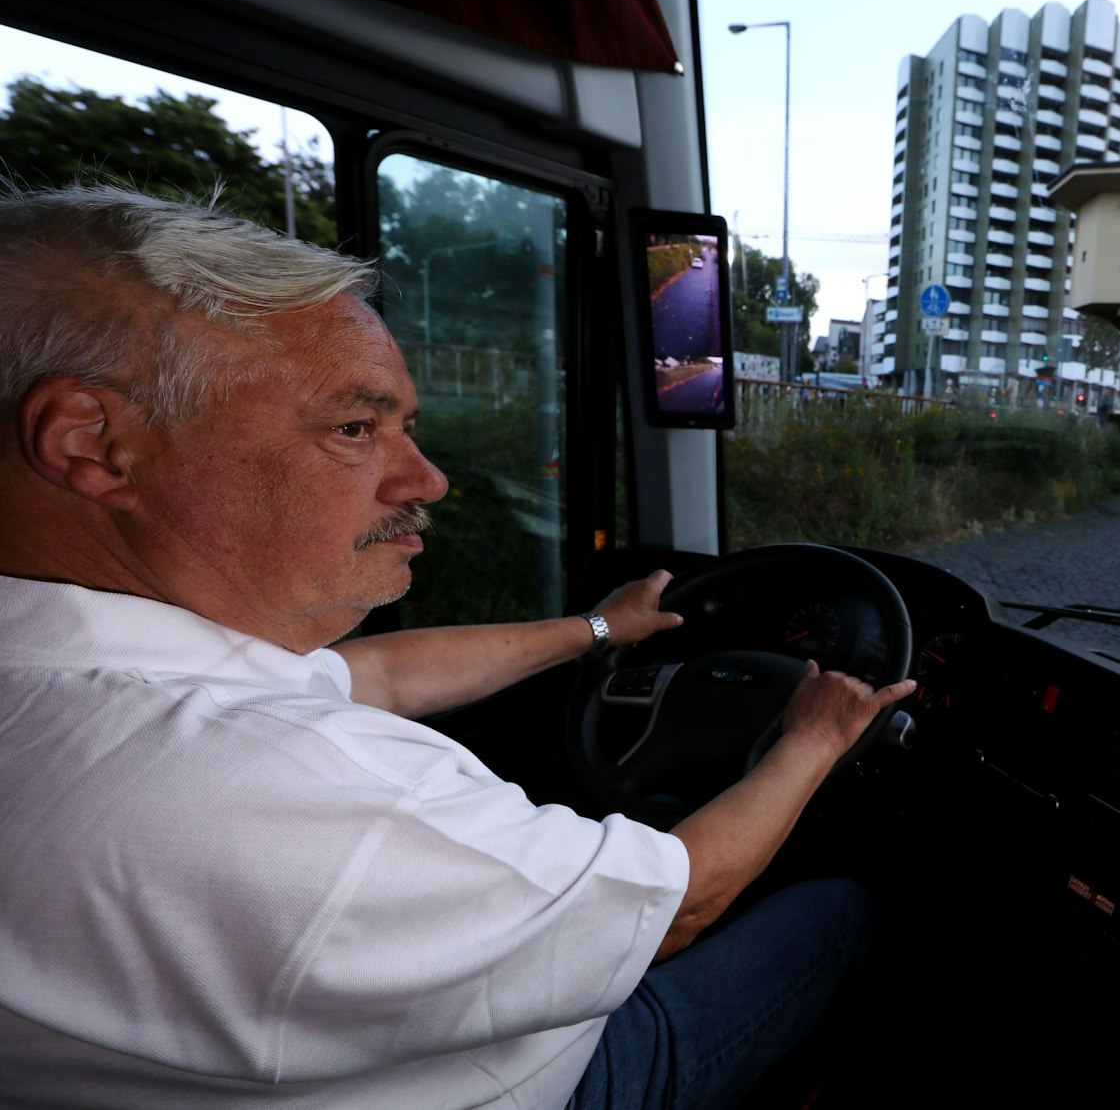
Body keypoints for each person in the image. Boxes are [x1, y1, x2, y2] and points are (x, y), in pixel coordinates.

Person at [0, 183, 915, 1108]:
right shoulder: (293, 791)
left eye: (409, 427)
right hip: (560, 1081)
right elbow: (681, 902)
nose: (427, 479)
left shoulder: (80, 671)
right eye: (354, 428)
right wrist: (817, 736)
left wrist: (601, 629)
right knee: (840, 911)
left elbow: (377, 673)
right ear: (93, 441)